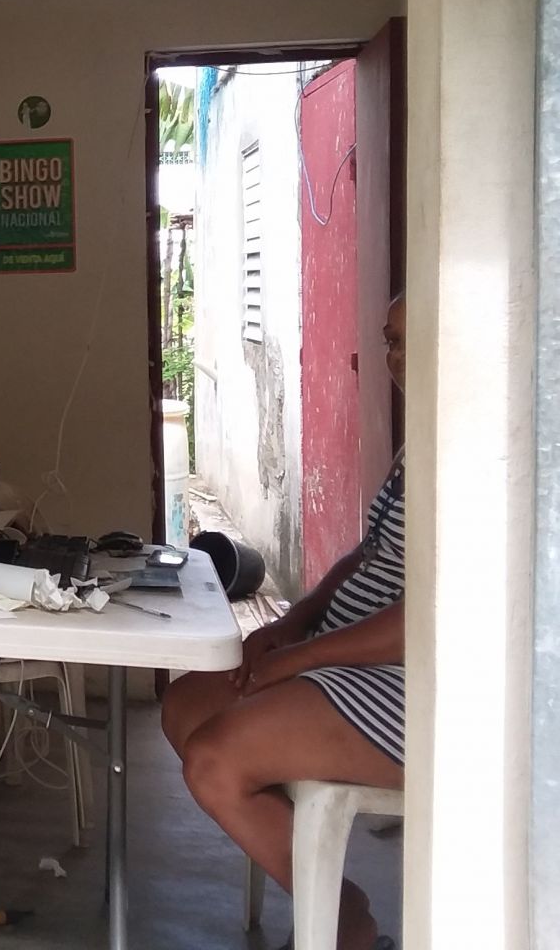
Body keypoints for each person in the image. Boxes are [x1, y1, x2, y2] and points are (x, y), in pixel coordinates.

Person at [161, 294, 407, 950]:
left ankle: (344, 924)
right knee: (187, 704)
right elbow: (367, 555)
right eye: (391, 340)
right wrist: (296, 621)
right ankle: (327, 897)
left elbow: (430, 623)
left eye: (416, 340)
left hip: (416, 684)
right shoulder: (425, 442)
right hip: (345, 655)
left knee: (215, 760)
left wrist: (300, 659)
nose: (398, 357)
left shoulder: (484, 452)